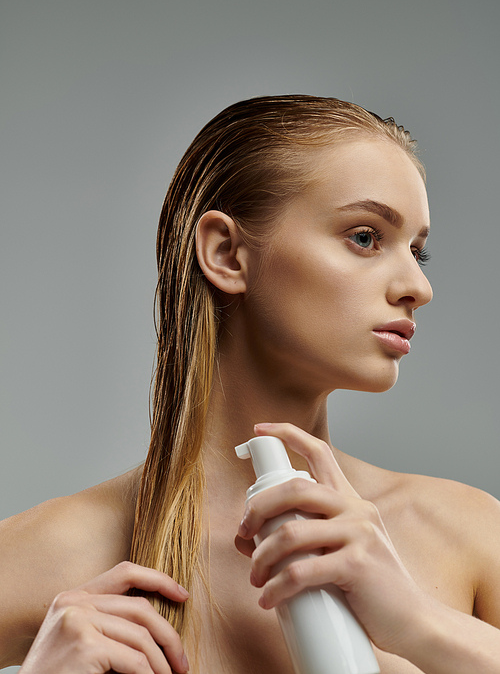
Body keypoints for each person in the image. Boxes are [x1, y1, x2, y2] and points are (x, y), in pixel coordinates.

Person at [1, 95, 499, 674]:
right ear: (227, 254)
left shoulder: (461, 531)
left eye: (418, 251)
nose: (417, 285)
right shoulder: (56, 550)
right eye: (365, 237)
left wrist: (419, 624)